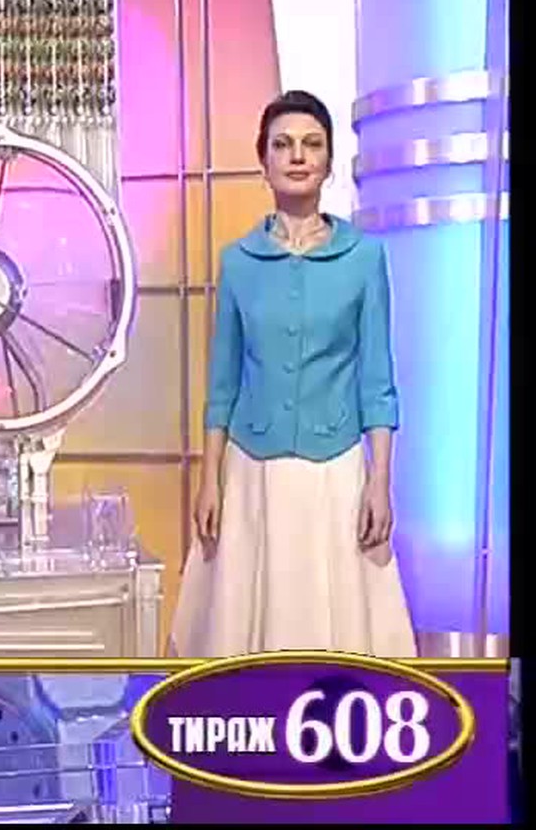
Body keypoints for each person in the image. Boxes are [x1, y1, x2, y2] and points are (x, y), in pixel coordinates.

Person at [168, 90, 417, 658]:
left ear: (329, 162)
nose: (298, 156)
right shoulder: (237, 261)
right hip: (253, 473)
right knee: (244, 634)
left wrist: (379, 481)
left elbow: (377, 383)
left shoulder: (365, 258)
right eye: (282, 145)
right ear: (264, 162)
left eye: (311, 144)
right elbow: (222, 385)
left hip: (336, 471)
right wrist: (210, 480)